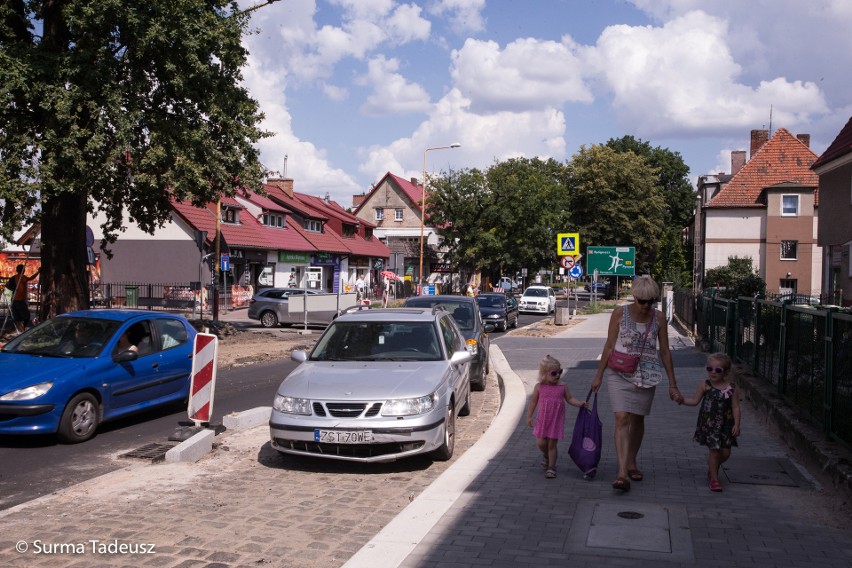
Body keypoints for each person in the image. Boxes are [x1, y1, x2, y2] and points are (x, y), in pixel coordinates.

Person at [590, 275, 680, 492]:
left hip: (646, 375)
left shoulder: (658, 318)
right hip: (618, 372)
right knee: (622, 418)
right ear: (635, 297)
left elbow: (666, 351)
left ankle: (632, 461)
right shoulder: (620, 314)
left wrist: (673, 384)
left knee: (637, 420)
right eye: (643, 301)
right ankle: (622, 473)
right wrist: (599, 375)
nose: (647, 305)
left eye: (651, 301)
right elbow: (609, 345)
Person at [679, 353, 741, 492]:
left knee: (725, 453)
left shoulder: (731, 388)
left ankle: (712, 467)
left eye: (718, 370)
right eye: (710, 368)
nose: (713, 372)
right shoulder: (704, 385)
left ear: (725, 372)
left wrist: (737, 424)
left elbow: (736, 407)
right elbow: (695, 401)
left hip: (726, 425)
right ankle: (714, 479)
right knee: (714, 451)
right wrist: (682, 400)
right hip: (709, 424)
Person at [526, 355, 587, 479]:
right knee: (540, 443)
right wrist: (529, 416)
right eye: (554, 373)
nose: (558, 375)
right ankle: (547, 456)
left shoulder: (562, 386)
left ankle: (551, 468)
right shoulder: (539, 387)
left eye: (560, 372)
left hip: (555, 421)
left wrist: (580, 404)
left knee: (552, 445)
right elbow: (533, 402)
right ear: (544, 374)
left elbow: (569, 398)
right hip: (542, 420)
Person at [5, 264, 40, 332]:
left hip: (14, 300)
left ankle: (19, 330)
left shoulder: (13, 277)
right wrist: (38, 272)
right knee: (26, 316)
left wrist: (12, 290)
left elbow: (6, 285)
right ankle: (20, 330)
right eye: (24, 269)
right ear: (23, 270)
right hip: (19, 300)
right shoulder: (22, 277)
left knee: (18, 317)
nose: (24, 270)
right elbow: (31, 278)